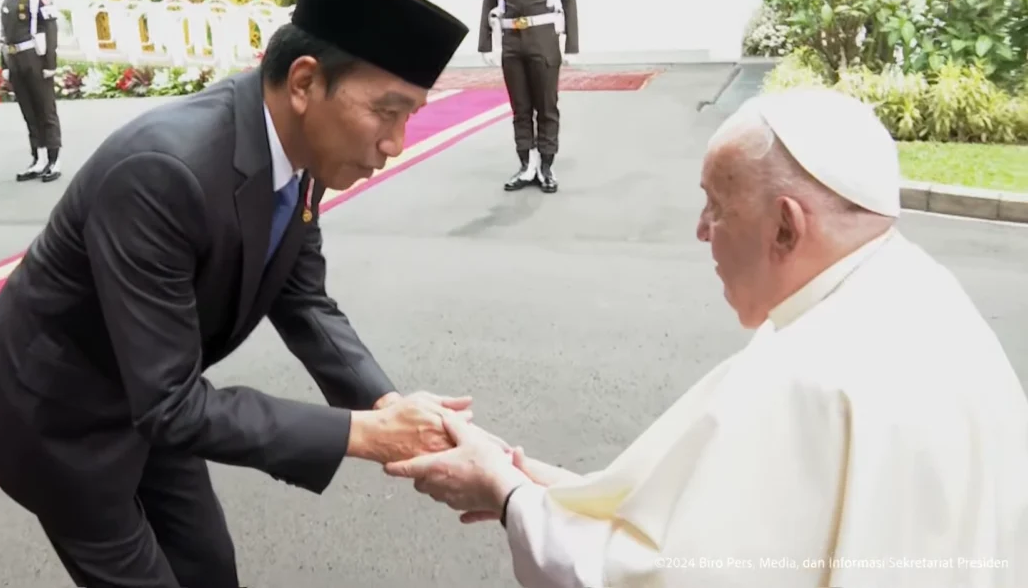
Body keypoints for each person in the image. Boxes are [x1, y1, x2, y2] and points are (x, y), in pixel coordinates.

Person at [0, 0, 472, 588]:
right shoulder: (164, 171)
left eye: (409, 115)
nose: (396, 142)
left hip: (156, 390)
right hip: (57, 415)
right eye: (387, 112)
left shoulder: (302, 152)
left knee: (208, 568)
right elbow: (169, 405)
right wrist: (364, 433)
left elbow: (304, 301)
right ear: (304, 82)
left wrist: (385, 403)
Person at [386, 88, 1028, 587]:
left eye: (717, 207)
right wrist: (539, 482)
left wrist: (506, 495)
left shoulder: (812, 374)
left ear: (786, 227)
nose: (700, 230)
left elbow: (658, 575)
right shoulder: (919, 294)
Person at [477, 0, 579, 194]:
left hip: (543, 40)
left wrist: (572, 44)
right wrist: (485, 43)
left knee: (546, 107)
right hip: (512, 41)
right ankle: (526, 165)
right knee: (520, 108)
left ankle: (546, 166)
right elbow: (489, 0)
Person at [0, 0, 63, 183]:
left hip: (34, 57)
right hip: (16, 59)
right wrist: (4, 63)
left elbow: (51, 28)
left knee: (45, 109)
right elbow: (4, 34)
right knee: (29, 112)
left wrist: (50, 63)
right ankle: (38, 158)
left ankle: (54, 159)